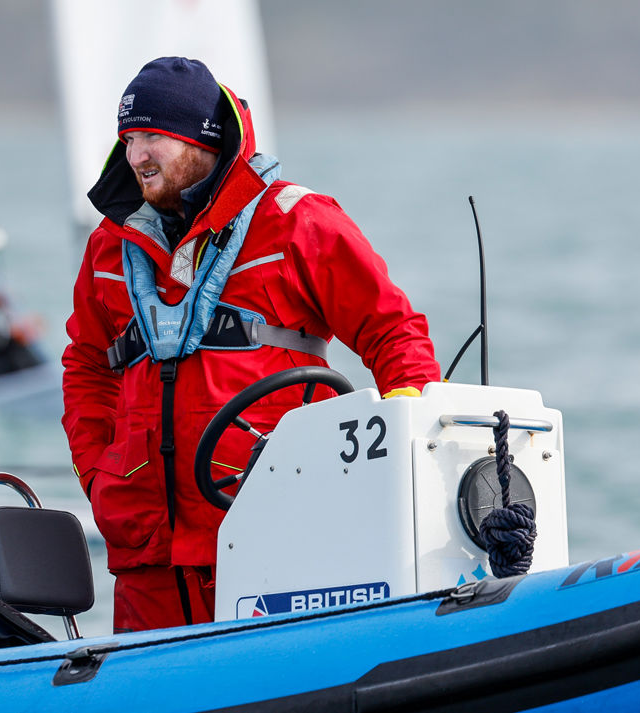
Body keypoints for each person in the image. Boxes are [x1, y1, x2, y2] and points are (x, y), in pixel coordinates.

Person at [62, 57, 441, 633]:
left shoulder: (299, 221)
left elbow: (393, 332)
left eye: (153, 136)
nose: (136, 154)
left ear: (202, 138)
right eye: (128, 137)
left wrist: (411, 449)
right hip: (146, 554)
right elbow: (86, 366)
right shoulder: (105, 248)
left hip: (276, 530)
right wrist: (98, 473)